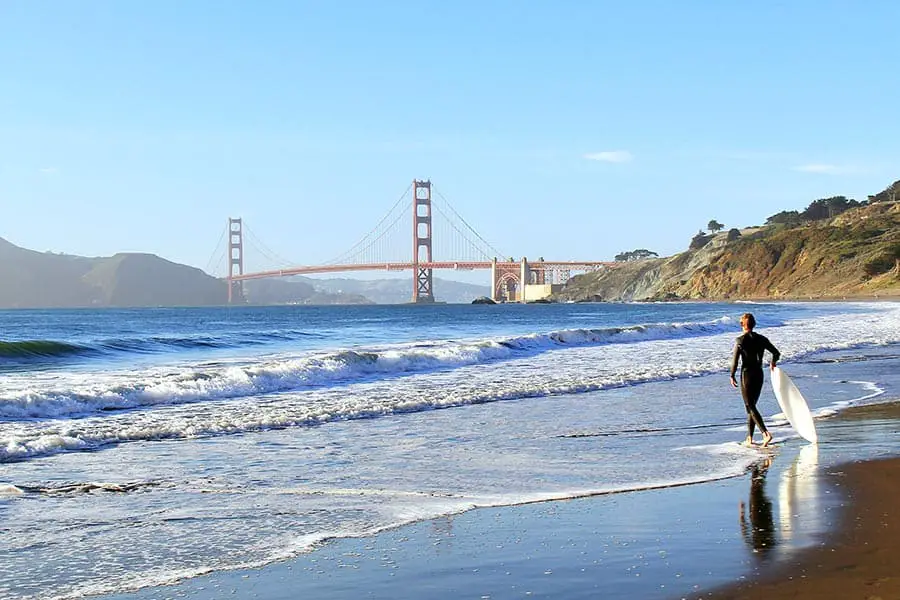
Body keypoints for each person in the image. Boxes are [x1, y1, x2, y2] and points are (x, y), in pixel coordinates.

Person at [729, 312, 781, 447]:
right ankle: (749, 438)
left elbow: (735, 361)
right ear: (754, 324)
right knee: (751, 407)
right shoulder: (762, 339)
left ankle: (765, 434)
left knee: (749, 406)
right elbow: (776, 353)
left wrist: (732, 375)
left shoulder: (740, 341)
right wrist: (773, 363)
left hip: (747, 375)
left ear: (742, 325)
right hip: (759, 374)